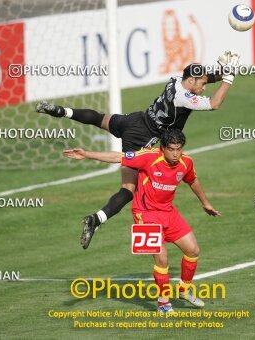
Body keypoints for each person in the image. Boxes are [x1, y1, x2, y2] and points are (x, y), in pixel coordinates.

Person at [38, 51, 238, 249]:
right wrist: (229, 77)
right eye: (202, 84)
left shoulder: (176, 80)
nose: (204, 86)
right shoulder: (184, 99)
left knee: (100, 118)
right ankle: (96, 219)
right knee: (128, 190)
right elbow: (215, 103)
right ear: (192, 81)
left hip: (135, 119)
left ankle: (62, 111)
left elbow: (206, 77)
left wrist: (225, 71)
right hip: (142, 137)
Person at [64, 129, 220, 312]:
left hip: (168, 212)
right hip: (145, 213)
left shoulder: (186, 162)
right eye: (171, 149)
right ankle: (163, 303)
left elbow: (192, 180)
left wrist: (205, 203)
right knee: (162, 259)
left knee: (193, 250)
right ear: (163, 148)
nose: (176, 154)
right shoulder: (149, 157)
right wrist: (86, 154)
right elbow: (117, 157)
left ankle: (184, 290)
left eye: (179, 149)